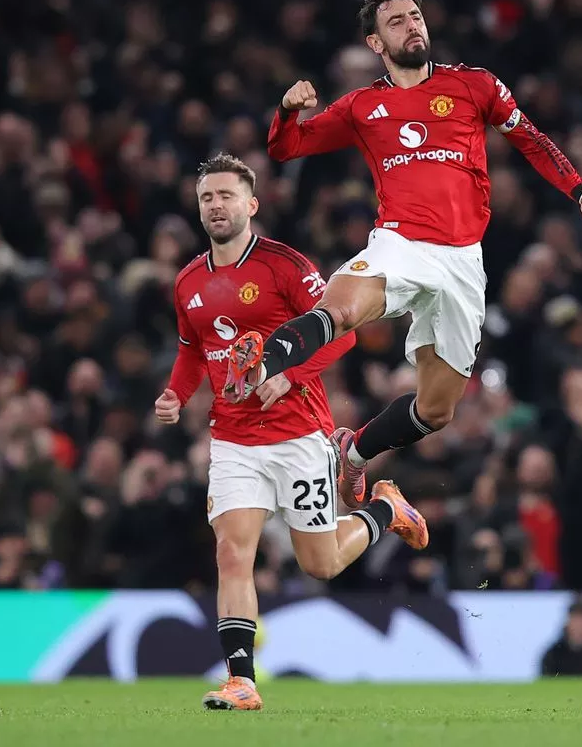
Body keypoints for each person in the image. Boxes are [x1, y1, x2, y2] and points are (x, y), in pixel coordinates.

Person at [223, 0, 582, 512]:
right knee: (341, 308)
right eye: (397, 22)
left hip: (464, 260)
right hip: (401, 242)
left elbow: (531, 139)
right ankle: (261, 361)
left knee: (436, 410)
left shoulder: (475, 85)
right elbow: (285, 147)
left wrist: (581, 191)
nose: (412, 26)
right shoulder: (363, 106)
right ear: (375, 43)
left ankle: (352, 452)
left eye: (415, 17)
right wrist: (288, 110)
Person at [154, 153, 430, 712]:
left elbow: (343, 334)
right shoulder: (187, 282)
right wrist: (176, 395)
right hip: (233, 440)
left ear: (251, 204)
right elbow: (193, 351)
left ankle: (386, 510)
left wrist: (289, 373)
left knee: (320, 563)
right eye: (207, 197)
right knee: (232, 552)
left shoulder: (285, 266)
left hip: (298, 434)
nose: (216, 206)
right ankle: (241, 681)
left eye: (226, 196)